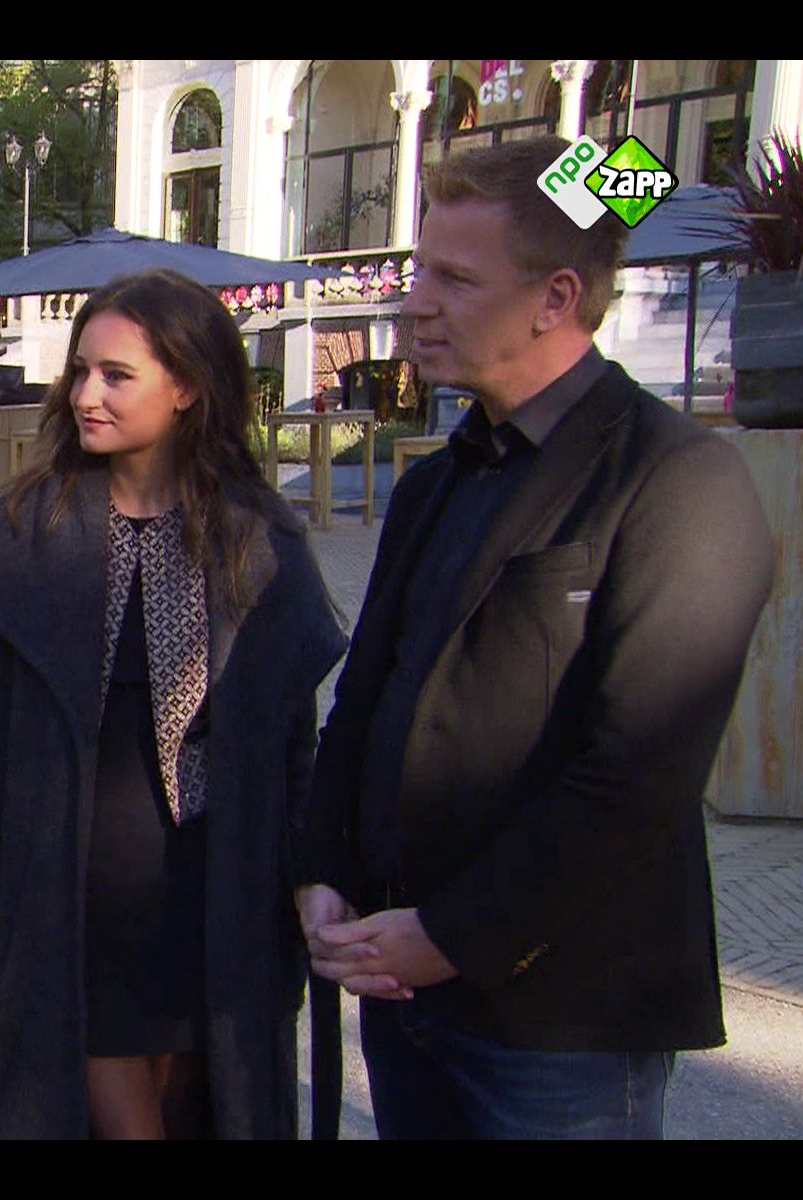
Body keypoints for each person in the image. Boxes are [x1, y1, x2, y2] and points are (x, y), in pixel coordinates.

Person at [298, 136, 775, 1139]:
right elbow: (366, 702)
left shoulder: (677, 478)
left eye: (454, 278)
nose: (414, 303)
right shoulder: (437, 483)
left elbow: (638, 776)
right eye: (419, 270)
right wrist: (322, 870)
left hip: (563, 1022)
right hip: (403, 993)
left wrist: (453, 937)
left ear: (555, 298)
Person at [0, 269, 347, 1139]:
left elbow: (292, 743)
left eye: (116, 375)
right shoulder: (29, 526)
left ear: (187, 387)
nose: (85, 395)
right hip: (63, 900)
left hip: (212, 902)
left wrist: (308, 876)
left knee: (202, 1111)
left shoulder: (256, 535)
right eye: (81, 371)